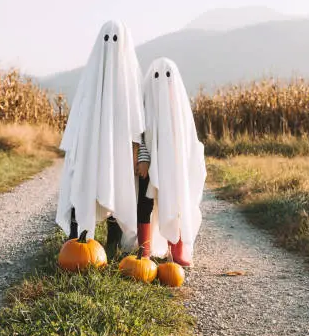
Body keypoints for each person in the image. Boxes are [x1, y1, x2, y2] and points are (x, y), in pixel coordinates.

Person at [56, 20, 145, 260]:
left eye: (116, 40)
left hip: (120, 149)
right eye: (107, 38)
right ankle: (76, 236)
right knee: (83, 183)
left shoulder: (130, 82)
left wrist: (136, 151)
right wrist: (76, 149)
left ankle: (113, 238)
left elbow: (137, 120)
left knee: (116, 185)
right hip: (89, 148)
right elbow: (79, 117)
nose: (111, 45)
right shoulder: (91, 79)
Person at [141, 57, 206, 266]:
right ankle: (144, 248)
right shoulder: (145, 104)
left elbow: (187, 140)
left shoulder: (178, 108)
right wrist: (143, 159)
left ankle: (176, 245)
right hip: (148, 164)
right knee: (145, 204)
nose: (162, 82)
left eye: (167, 76)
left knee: (175, 201)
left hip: (173, 166)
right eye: (157, 76)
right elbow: (139, 135)